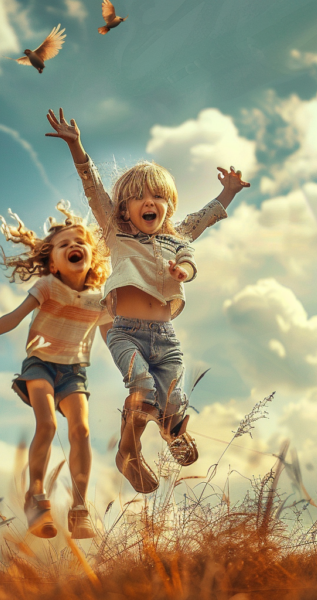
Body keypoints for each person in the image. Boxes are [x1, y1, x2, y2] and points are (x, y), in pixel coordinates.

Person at [46, 108, 250, 494]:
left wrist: (229, 191)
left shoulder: (179, 237)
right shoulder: (115, 234)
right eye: (139, 197)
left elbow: (204, 218)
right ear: (124, 209)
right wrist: (76, 146)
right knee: (142, 387)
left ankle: (174, 432)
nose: (149, 202)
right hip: (127, 333)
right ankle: (129, 453)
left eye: (158, 196)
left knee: (172, 400)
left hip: (166, 338)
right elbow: (92, 188)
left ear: (168, 205)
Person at [0, 203, 112, 539]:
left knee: (82, 431)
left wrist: (132, 368)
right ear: (52, 264)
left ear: (92, 255)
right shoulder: (46, 286)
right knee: (46, 423)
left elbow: (111, 336)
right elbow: (14, 317)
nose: (73, 246)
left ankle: (79, 508)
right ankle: (37, 497)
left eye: (80, 241)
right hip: (39, 364)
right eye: (63, 244)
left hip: (74, 371)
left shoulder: (100, 299)